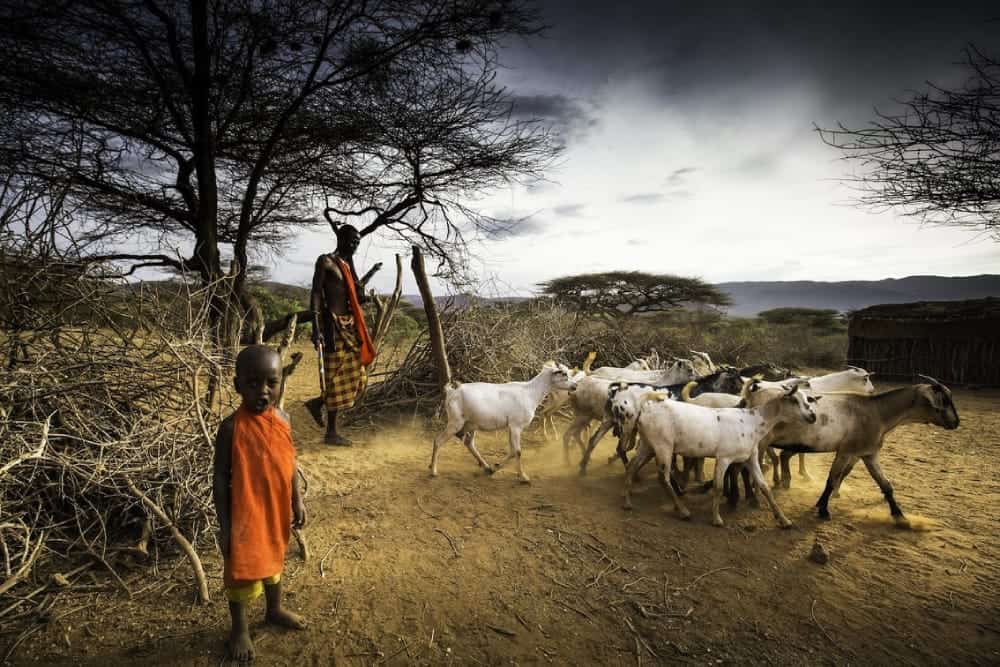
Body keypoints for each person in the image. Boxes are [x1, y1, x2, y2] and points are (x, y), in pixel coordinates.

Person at [213, 344, 307, 663]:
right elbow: (219, 480)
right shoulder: (230, 429)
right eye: (253, 384)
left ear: (281, 380)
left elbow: (289, 463)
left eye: (271, 382)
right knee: (241, 570)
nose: (263, 391)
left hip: (276, 509)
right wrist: (225, 526)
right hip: (246, 513)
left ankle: (274, 609)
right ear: (238, 385)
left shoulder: (284, 418)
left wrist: (297, 500)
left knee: (275, 558)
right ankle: (239, 629)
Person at [309, 223, 380, 445]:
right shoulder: (326, 261)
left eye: (357, 243)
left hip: (349, 327)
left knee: (358, 375)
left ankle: (319, 403)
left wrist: (370, 275)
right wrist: (316, 328)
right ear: (340, 239)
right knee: (334, 375)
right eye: (351, 241)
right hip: (332, 326)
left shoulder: (347, 265)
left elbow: (356, 295)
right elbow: (316, 294)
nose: (354, 246)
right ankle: (331, 432)